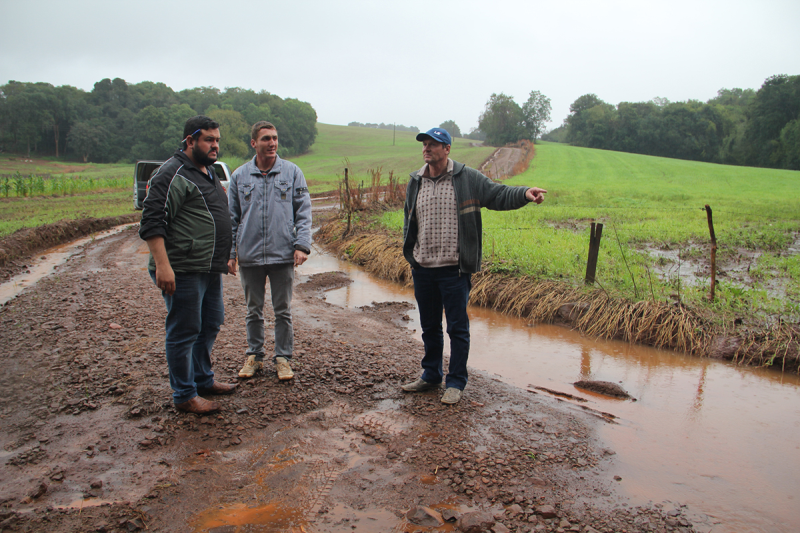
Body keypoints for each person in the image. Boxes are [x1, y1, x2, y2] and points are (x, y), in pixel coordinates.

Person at [401, 127, 546, 404]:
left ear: (447, 149)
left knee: (457, 328)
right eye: (425, 144)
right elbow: (409, 222)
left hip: (454, 269)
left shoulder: (467, 178)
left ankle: (455, 382)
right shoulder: (415, 181)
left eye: (434, 144)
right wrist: (412, 256)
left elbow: (498, 194)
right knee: (429, 326)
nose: (427, 148)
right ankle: (430, 376)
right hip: (423, 268)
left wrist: (525, 193)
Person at [139, 115, 237, 415]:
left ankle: (202, 380)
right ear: (190, 141)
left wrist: (227, 256)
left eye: (217, 140)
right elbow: (152, 220)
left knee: (210, 323)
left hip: (208, 267)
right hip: (181, 268)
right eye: (209, 139)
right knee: (184, 331)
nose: (215, 145)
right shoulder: (172, 172)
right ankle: (184, 395)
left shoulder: (206, 173)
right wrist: (162, 265)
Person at [228, 121, 312, 381]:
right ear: (254, 143)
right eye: (266, 139)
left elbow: (304, 212)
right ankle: (255, 355)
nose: (272, 143)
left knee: (282, 310)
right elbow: (231, 218)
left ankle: (283, 358)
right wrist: (230, 253)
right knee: (253, 310)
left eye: (275, 138)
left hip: (282, 254)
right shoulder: (239, 176)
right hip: (250, 255)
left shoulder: (292, 172)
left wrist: (301, 245)